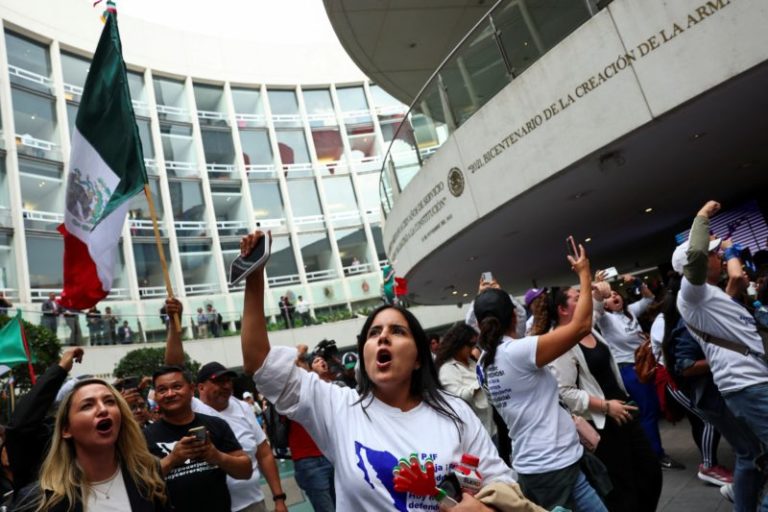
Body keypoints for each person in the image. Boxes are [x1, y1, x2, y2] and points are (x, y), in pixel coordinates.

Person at [239, 231, 522, 511]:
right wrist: (254, 278)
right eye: (374, 333)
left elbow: (501, 483)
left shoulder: (455, 412)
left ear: (418, 359)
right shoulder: (339, 408)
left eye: (397, 331)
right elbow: (259, 363)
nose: (383, 337)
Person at [474, 243, 607, 511]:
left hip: (532, 465)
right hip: (554, 466)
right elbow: (581, 326)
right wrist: (583, 273)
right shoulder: (518, 352)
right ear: (512, 317)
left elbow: (516, 319)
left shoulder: (482, 362)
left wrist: (491, 297)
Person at [675, 200, 768, 509]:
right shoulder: (692, 293)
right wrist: (701, 217)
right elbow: (699, 253)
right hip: (746, 384)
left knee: (754, 453)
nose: (716, 254)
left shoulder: (713, 295)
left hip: (752, 380)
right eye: (713, 252)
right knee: (752, 453)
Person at [161, 298, 288, 512]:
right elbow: (173, 369)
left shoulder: (243, 408)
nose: (226, 385)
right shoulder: (191, 408)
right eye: (217, 381)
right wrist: (175, 324)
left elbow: (264, 453)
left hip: (252, 504)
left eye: (228, 380)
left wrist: (279, 497)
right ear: (199, 387)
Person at [546, 287, 662, 512]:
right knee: (622, 487)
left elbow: (596, 305)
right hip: (601, 423)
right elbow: (565, 392)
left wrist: (595, 287)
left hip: (625, 411)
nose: (583, 302)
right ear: (562, 309)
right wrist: (606, 406)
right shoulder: (560, 342)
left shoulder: (587, 327)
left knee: (650, 473)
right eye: (577, 299)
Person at [11, 376, 169, 511]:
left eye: (109, 402)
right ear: (66, 429)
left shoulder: (148, 475)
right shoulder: (39, 500)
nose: (103, 409)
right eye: (87, 405)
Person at [592, 274, 683, 469]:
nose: (614, 297)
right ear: (605, 304)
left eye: (616, 294)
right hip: (628, 370)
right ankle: (656, 456)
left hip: (645, 367)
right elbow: (595, 309)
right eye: (610, 296)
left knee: (649, 411)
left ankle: (647, 452)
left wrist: (636, 281)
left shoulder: (630, 311)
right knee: (648, 412)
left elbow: (649, 298)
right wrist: (599, 291)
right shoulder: (605, 319)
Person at [143, 365, 252, 511]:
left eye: (177, 386)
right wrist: (173, 459)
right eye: (162, 390)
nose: (170, 394)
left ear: (191, 389)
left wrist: (216, 456)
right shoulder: (145, 436)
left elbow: (246, 471)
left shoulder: (216, 424)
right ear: (155, 396)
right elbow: (140, 483)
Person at [435, 322, 495, 438]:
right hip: (474, 435)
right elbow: (459, 397)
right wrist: (481, 380)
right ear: (458, 344)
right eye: (471, 344)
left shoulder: (473, 363)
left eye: (475, 344)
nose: (473, 348)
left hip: (491, 428)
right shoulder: (448, 369)